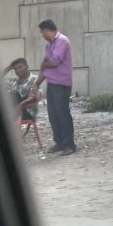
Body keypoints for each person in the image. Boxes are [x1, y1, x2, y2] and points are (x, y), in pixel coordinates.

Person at [31, 19, 75, 155]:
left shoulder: (62, 41)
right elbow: (45, 67)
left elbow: (54, 62)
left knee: (62, 113)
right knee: (53, 115)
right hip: (52, 82)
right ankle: (59, 142)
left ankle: (69, 145)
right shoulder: (49, 45)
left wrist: (44, 64)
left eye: (42, 32)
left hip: (61, 83)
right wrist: (37, 83)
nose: (42, 35)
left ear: (47, 30)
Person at [2, 57, 38, 123]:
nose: (18, 70)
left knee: (14, 94)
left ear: (27, 67)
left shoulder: (35, 79)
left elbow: (34, 97)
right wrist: (9, 68)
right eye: (15, 69)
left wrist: (21, 104)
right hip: (14, 112)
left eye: (20, 67)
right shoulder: (14, 83)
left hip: (27, 112)